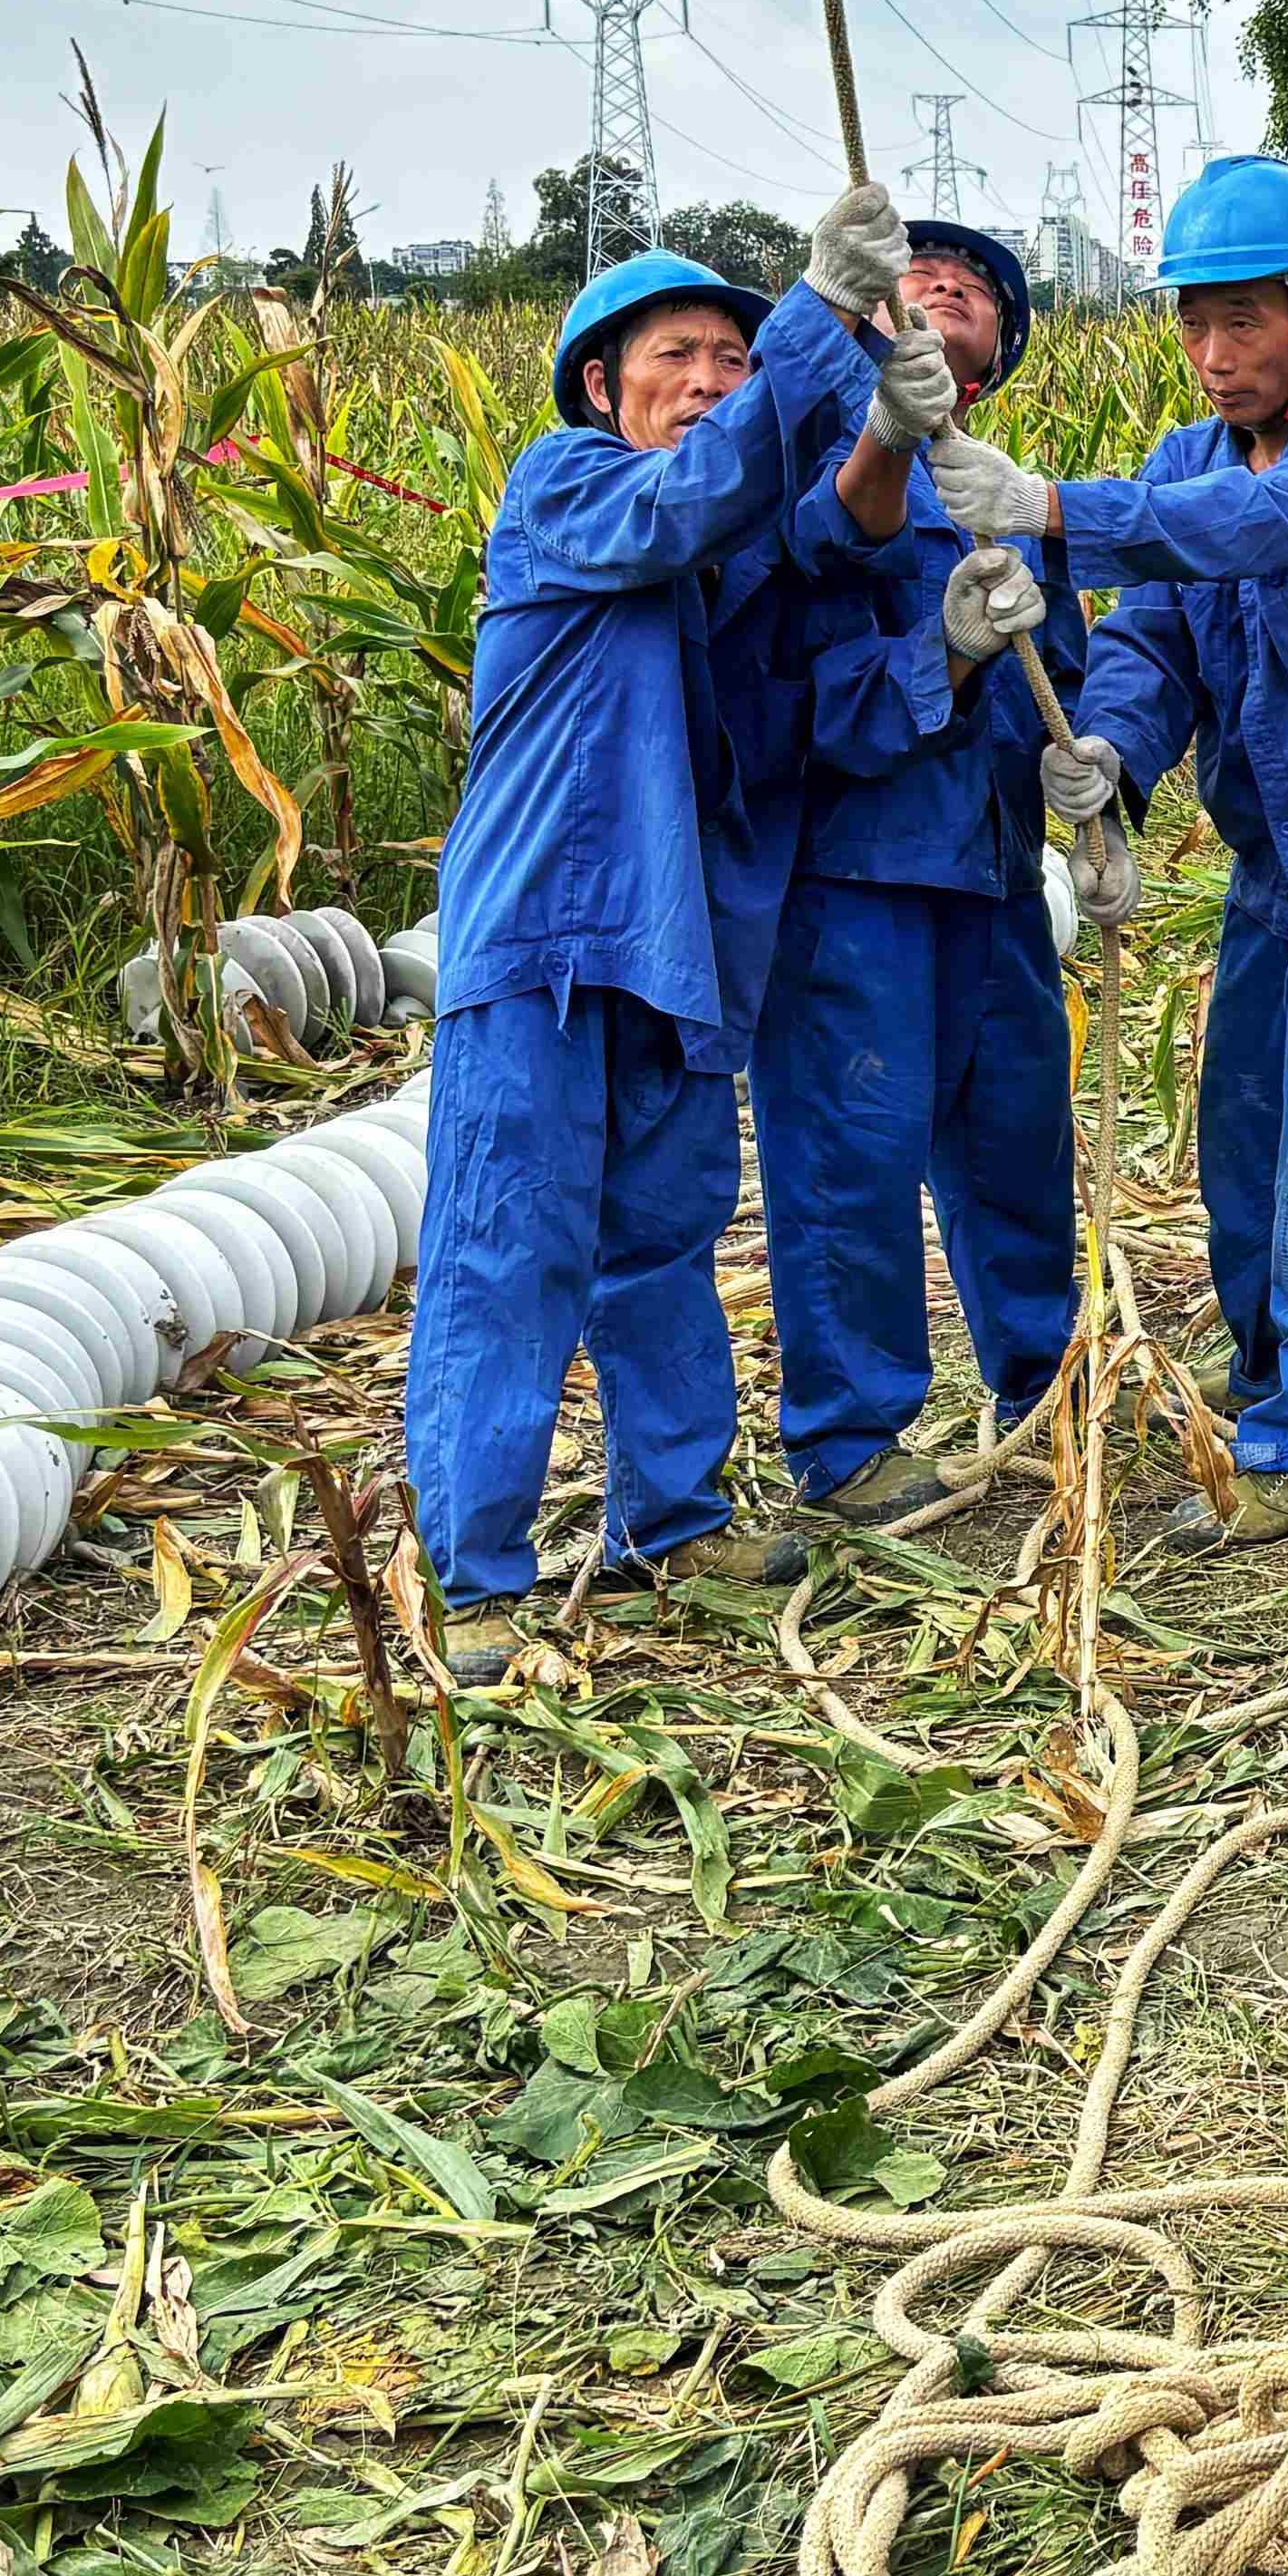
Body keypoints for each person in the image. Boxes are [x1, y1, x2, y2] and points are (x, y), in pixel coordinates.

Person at [407, 189, 948, 1686]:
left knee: (661, 1243)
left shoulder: (716, 564)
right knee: (508, 1250)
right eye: (677, 357)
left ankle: (675, 1517)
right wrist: (811, 318)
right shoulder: (570, 492)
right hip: (542, 944)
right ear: (602, 384)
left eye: (727, 354)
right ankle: (477, 1576)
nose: (709, 379)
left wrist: (891, 440)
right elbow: (693, 499)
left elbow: (810, 555)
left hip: (680, 953)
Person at [960, 156, 1288, 1545]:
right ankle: (1267, 1386)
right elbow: (1155, 643)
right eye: (1193, 325)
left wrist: (1053, 511)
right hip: (1273, 869)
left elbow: (1241, 534)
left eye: (1242, 321)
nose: (1213, 354)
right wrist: (1112, 758)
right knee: (1241, 1143)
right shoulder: (1187, 459)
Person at [752, 218, 1112, 1549]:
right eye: (921, 280)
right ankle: (850, 1443)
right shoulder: (819, 484)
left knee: (1016, 1134)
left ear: (1000, 357)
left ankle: (1046, 1381)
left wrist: (1096, 783)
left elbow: (1063, 687)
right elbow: (806, 667)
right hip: (856, 881)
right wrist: (944, 656)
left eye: (978, 293)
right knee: (851, 1154)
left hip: (992, 880)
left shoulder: (1010, 505)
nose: (948, 285)